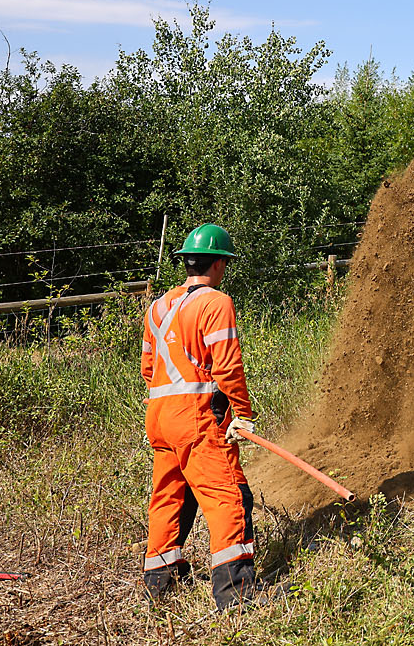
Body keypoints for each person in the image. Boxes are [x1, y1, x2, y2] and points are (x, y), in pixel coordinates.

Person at [141, 223, 261, 610]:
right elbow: (227, 367)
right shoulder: (216, 302)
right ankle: (235, 595)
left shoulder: (158, 307)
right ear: (219, 264)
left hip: (159, 417)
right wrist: (242, 414)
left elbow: (148, 368)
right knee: (230, 496)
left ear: (186, 262)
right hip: (195, 418)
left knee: (170, 498)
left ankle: (160, 587)